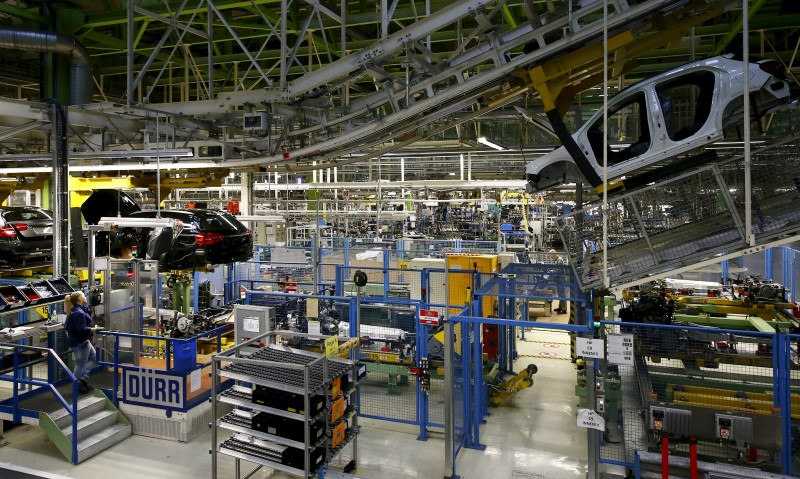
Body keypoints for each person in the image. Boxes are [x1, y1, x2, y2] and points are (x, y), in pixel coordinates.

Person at [63, 291, 100, 393]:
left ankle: (83, 380)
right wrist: (94, 329)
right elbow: (81, 329)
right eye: (83, 296)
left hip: (82, 341)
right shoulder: (78, 313)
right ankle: (76, 386)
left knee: (93, 357)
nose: (85, 297)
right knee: (80, 365)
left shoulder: (77, 310)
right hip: (81, 342)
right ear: (79, 299)